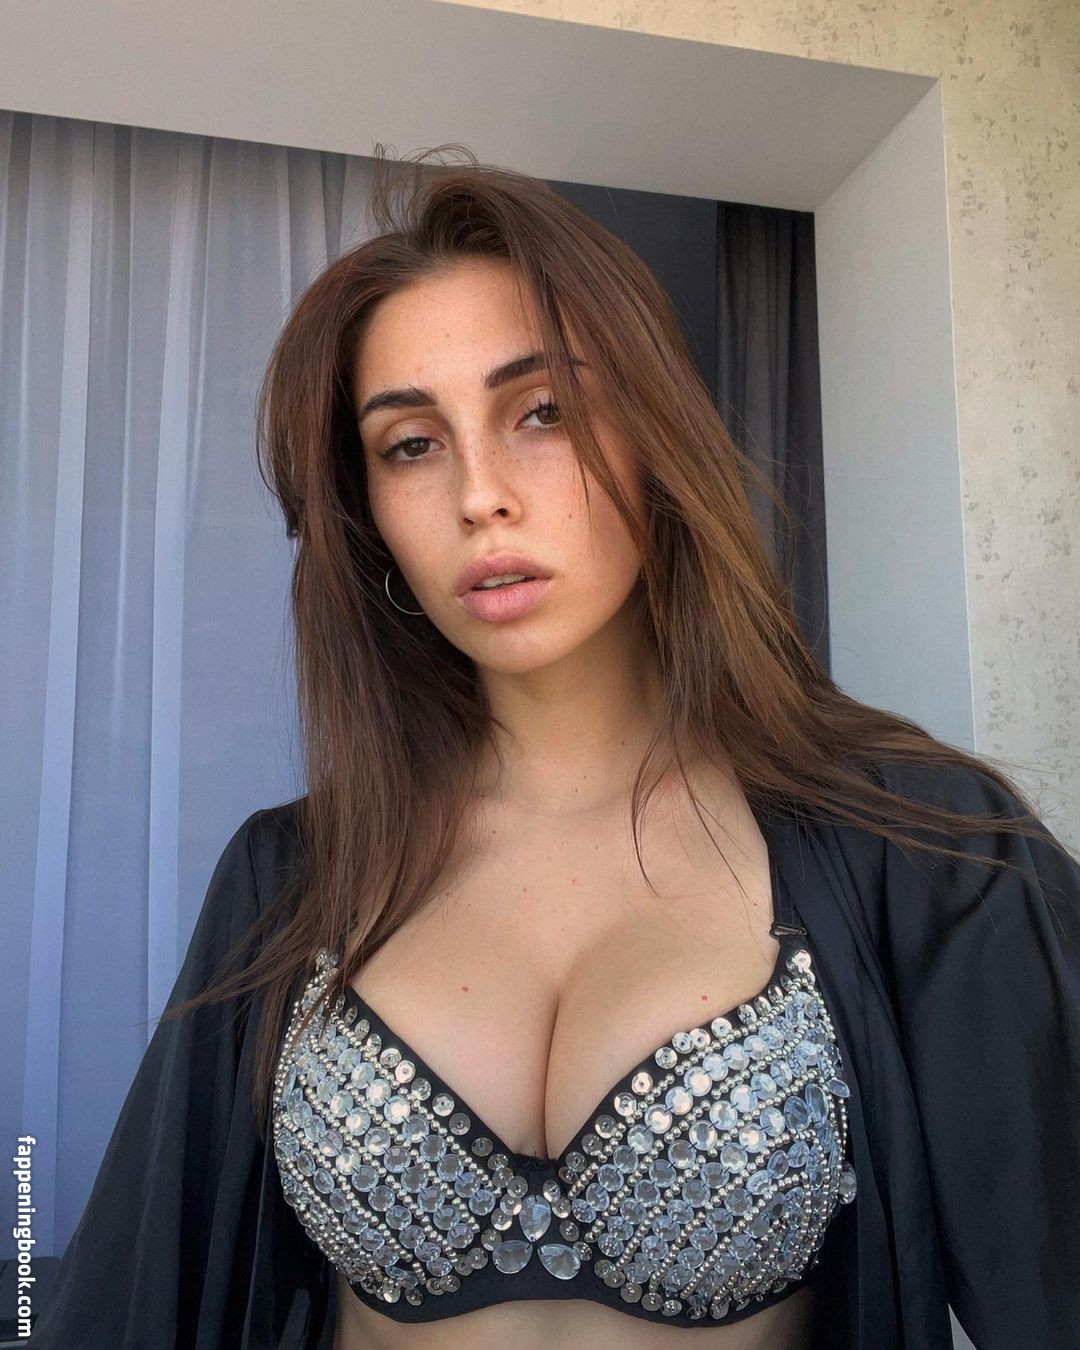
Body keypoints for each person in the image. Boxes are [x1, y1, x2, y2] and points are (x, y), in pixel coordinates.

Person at [29, 146, 1080, 1350]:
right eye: (411, 444)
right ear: (367, 514)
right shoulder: (291, 879)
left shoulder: (926, 849)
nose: (480, 494)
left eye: (543, 413)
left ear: (657, 441)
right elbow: (130, 1302)